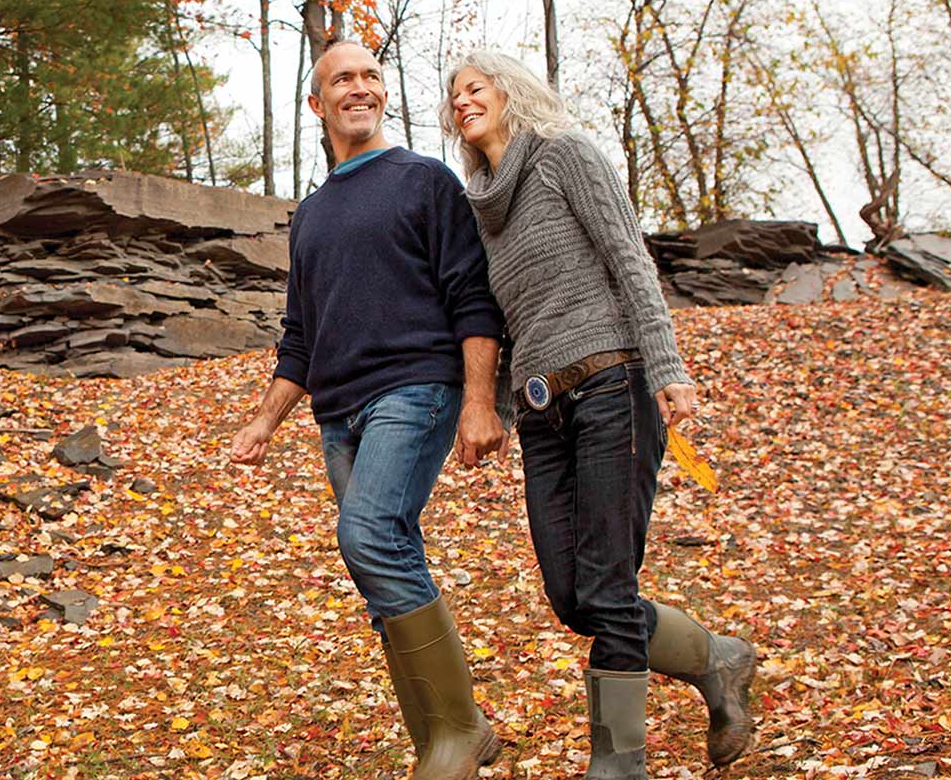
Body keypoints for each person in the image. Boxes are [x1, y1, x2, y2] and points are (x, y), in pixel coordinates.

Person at [438, 49, 758, 778]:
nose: (462, 102)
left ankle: (619, 764)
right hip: (544, 412)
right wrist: (485, 402)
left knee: (607, 590)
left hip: (615, 384)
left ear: (510, 92)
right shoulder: (482, 203)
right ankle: (718, 660)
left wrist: (669, 367)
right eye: (453, 96)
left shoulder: (563, 154)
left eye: (475, 87)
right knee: (571, 594)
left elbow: (628, 257)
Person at [228, 39, 505, 779]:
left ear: (383, 94)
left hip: (416, 388)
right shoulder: (312, 215)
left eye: (371, 76)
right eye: (342, 79)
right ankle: (451, 736)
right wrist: (264, 419)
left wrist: (480, 401)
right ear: (318, 105)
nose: (361, 87)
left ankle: (453, 737)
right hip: (338, 414)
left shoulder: (425, 181)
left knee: (370, 533)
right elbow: (301, 338)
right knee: (379, 565)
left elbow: (472, 298)